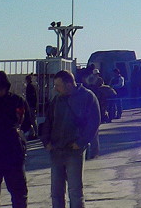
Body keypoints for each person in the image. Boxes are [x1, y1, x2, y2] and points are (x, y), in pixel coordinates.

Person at [41, 69, 100, 208]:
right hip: (56, 150)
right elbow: (49, 121)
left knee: (75, 191)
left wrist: (81, 142)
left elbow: (94, 122)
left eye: (58, 85)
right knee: (56, 192)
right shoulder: (57, 99)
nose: (56, 88)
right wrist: (46, 141)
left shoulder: (87, 97)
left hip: (74, 150)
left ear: (69, 84)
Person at [0, 70, 34, 208]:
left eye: (1, 89)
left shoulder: (17, 101)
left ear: (7, 87)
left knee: (19, 192)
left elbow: (27, 123)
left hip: (13, 153)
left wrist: (18, 134)